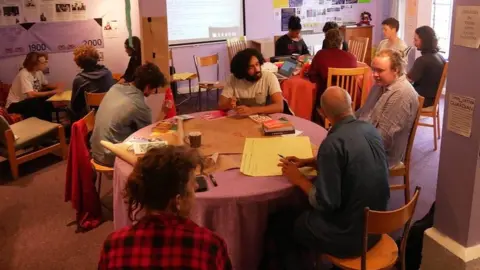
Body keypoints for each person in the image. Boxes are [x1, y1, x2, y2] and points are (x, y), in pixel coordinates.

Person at [260, 86, 390, 270]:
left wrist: (299, 179)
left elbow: (325, 203)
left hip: (350, 236)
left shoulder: (332, 144)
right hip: (377, 227)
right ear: (351, 104)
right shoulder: (370, 130)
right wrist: (311, 162)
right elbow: (350, 163)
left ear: (323, 113)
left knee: (282, 222)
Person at [98, 146, 232, 269]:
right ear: (177, 201)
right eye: (192, 184)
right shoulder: (209, 246)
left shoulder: (113, 245)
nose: (197, 187)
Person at [90, 62, 167, 167]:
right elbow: (149, 135)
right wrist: (163, 112)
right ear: (148, 87)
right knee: (159, 154)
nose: (154, 92)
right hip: (111, 156)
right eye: (155, 89)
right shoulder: (139, 105)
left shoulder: (115, 88)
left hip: (95, 150)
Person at [356, 49, 419, 168]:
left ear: (396, 70)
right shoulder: (380, 85)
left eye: (379, 70)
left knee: (335, 156)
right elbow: (363, 112)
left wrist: (352, 141)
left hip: (382, 154)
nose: (374, 74)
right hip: (366, 138)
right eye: (373, 69)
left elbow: (384, 138)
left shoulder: (401, 94)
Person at [308, 28, 357, 124]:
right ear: (341, 42)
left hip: (328, 102)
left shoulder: (320, 55)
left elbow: (312, 77)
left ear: (326, 41)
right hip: (348, 100)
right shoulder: (352, 57)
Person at [218, 48, 284, 116]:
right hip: (240, 121)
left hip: (262, 121)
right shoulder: (233, 79)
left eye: (257, 64)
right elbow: (221, 105)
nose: (257, 70)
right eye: (251, 67)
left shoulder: (269, 77)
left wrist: (252, 110)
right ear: (242, 70)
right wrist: (228, 104)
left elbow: (279, 107)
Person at [6, 52, 64, 121]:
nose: (46, 64)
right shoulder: (24, 74)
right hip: (14, 105)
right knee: (34, 102)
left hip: (28, 101)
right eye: (44, 62)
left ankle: (49, 125)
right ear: (35, 63)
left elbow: (44, 85)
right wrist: (53, 91)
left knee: (44, 100)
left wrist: (56, 85)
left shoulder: (38, 72)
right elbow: (31, 94)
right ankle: (40, 126)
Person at [70, 44, 114, 121]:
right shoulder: (108, 73)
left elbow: (75, 106)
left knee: (70, 110)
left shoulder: (79, 79)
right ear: (96, 57)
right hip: (110, 113)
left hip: (92, 118)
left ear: (78, 63)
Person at [408, 26, 446, 108]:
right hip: (432, 99)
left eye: (416, 40)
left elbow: (408, 79)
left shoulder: (422, 60)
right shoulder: (440, 57)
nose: (414, 43)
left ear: (424, 41)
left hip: (422, 100)